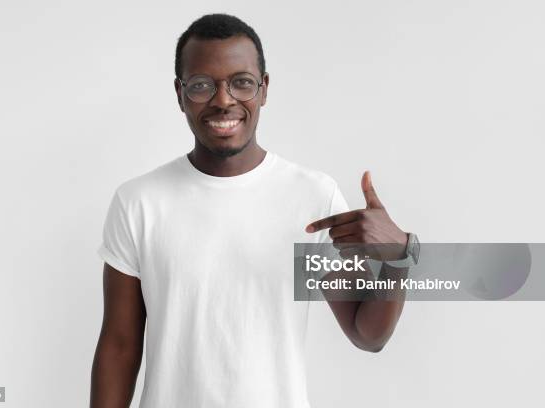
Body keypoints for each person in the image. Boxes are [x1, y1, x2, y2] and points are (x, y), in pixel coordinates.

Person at [90, 13, 413, 408]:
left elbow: (368, 336)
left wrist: (399, 258)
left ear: (263, 89)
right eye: (202, 85)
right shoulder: (139, 202)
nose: (223, 100)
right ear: (179, 94)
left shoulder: (312, 197)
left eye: (241, 83)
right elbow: (120, 347)